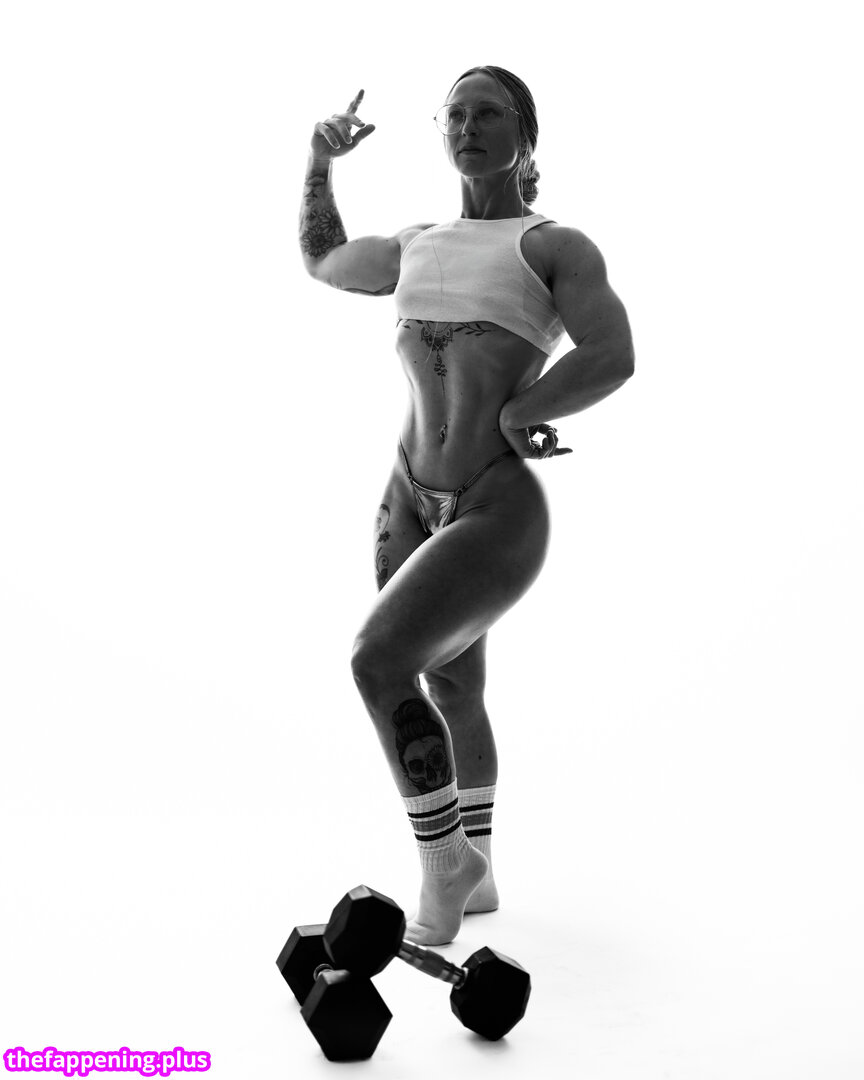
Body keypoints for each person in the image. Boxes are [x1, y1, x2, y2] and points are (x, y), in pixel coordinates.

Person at [300, 67, 634, 945]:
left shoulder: (553, 246)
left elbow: (612, 352)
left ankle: (444, 861)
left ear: (526, 135)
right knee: (449, 682)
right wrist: (319, 162)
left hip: (495, 502)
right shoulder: (416, 242)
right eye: (454, 114)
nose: (467, 127)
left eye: (488, 113)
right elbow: (323, 260)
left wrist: (525, 411)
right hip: (408, 494)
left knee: (377, 661)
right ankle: (477, 866)